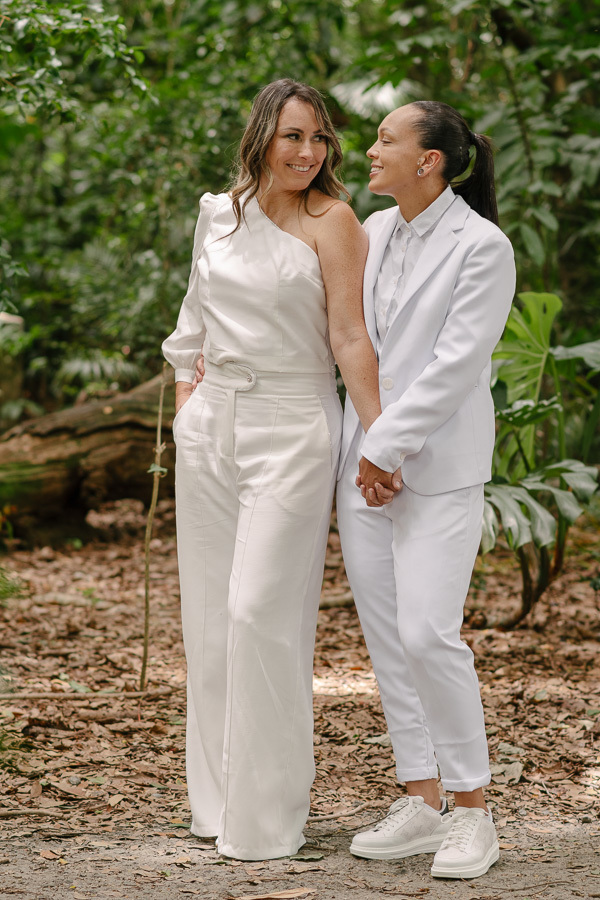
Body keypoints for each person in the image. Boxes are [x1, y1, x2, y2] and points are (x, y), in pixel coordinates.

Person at [162, 79, 384, 861]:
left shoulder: (335, 222)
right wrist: (192, 405)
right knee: (211, 622)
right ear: (262, 136)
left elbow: (351, 339)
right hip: (212, 424)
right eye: (294, 136)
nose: (308, 153)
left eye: (320, 138)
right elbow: (191, 321)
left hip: (293, 426)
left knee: (260, 613)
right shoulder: (215, 214)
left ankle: (268, 818)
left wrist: (382, 441)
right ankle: (217, 805)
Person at [336, 101, 516, 880]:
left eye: (385, 139)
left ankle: (473, 811)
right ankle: (420, 797)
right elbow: (350, 340)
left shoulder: (483, 246)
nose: (369, 150)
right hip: (364, 470)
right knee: (386, 642)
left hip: (437, 469)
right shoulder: (371, 233)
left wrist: (388, 447)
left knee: (428, 635)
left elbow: (454, 364)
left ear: (430, 160)